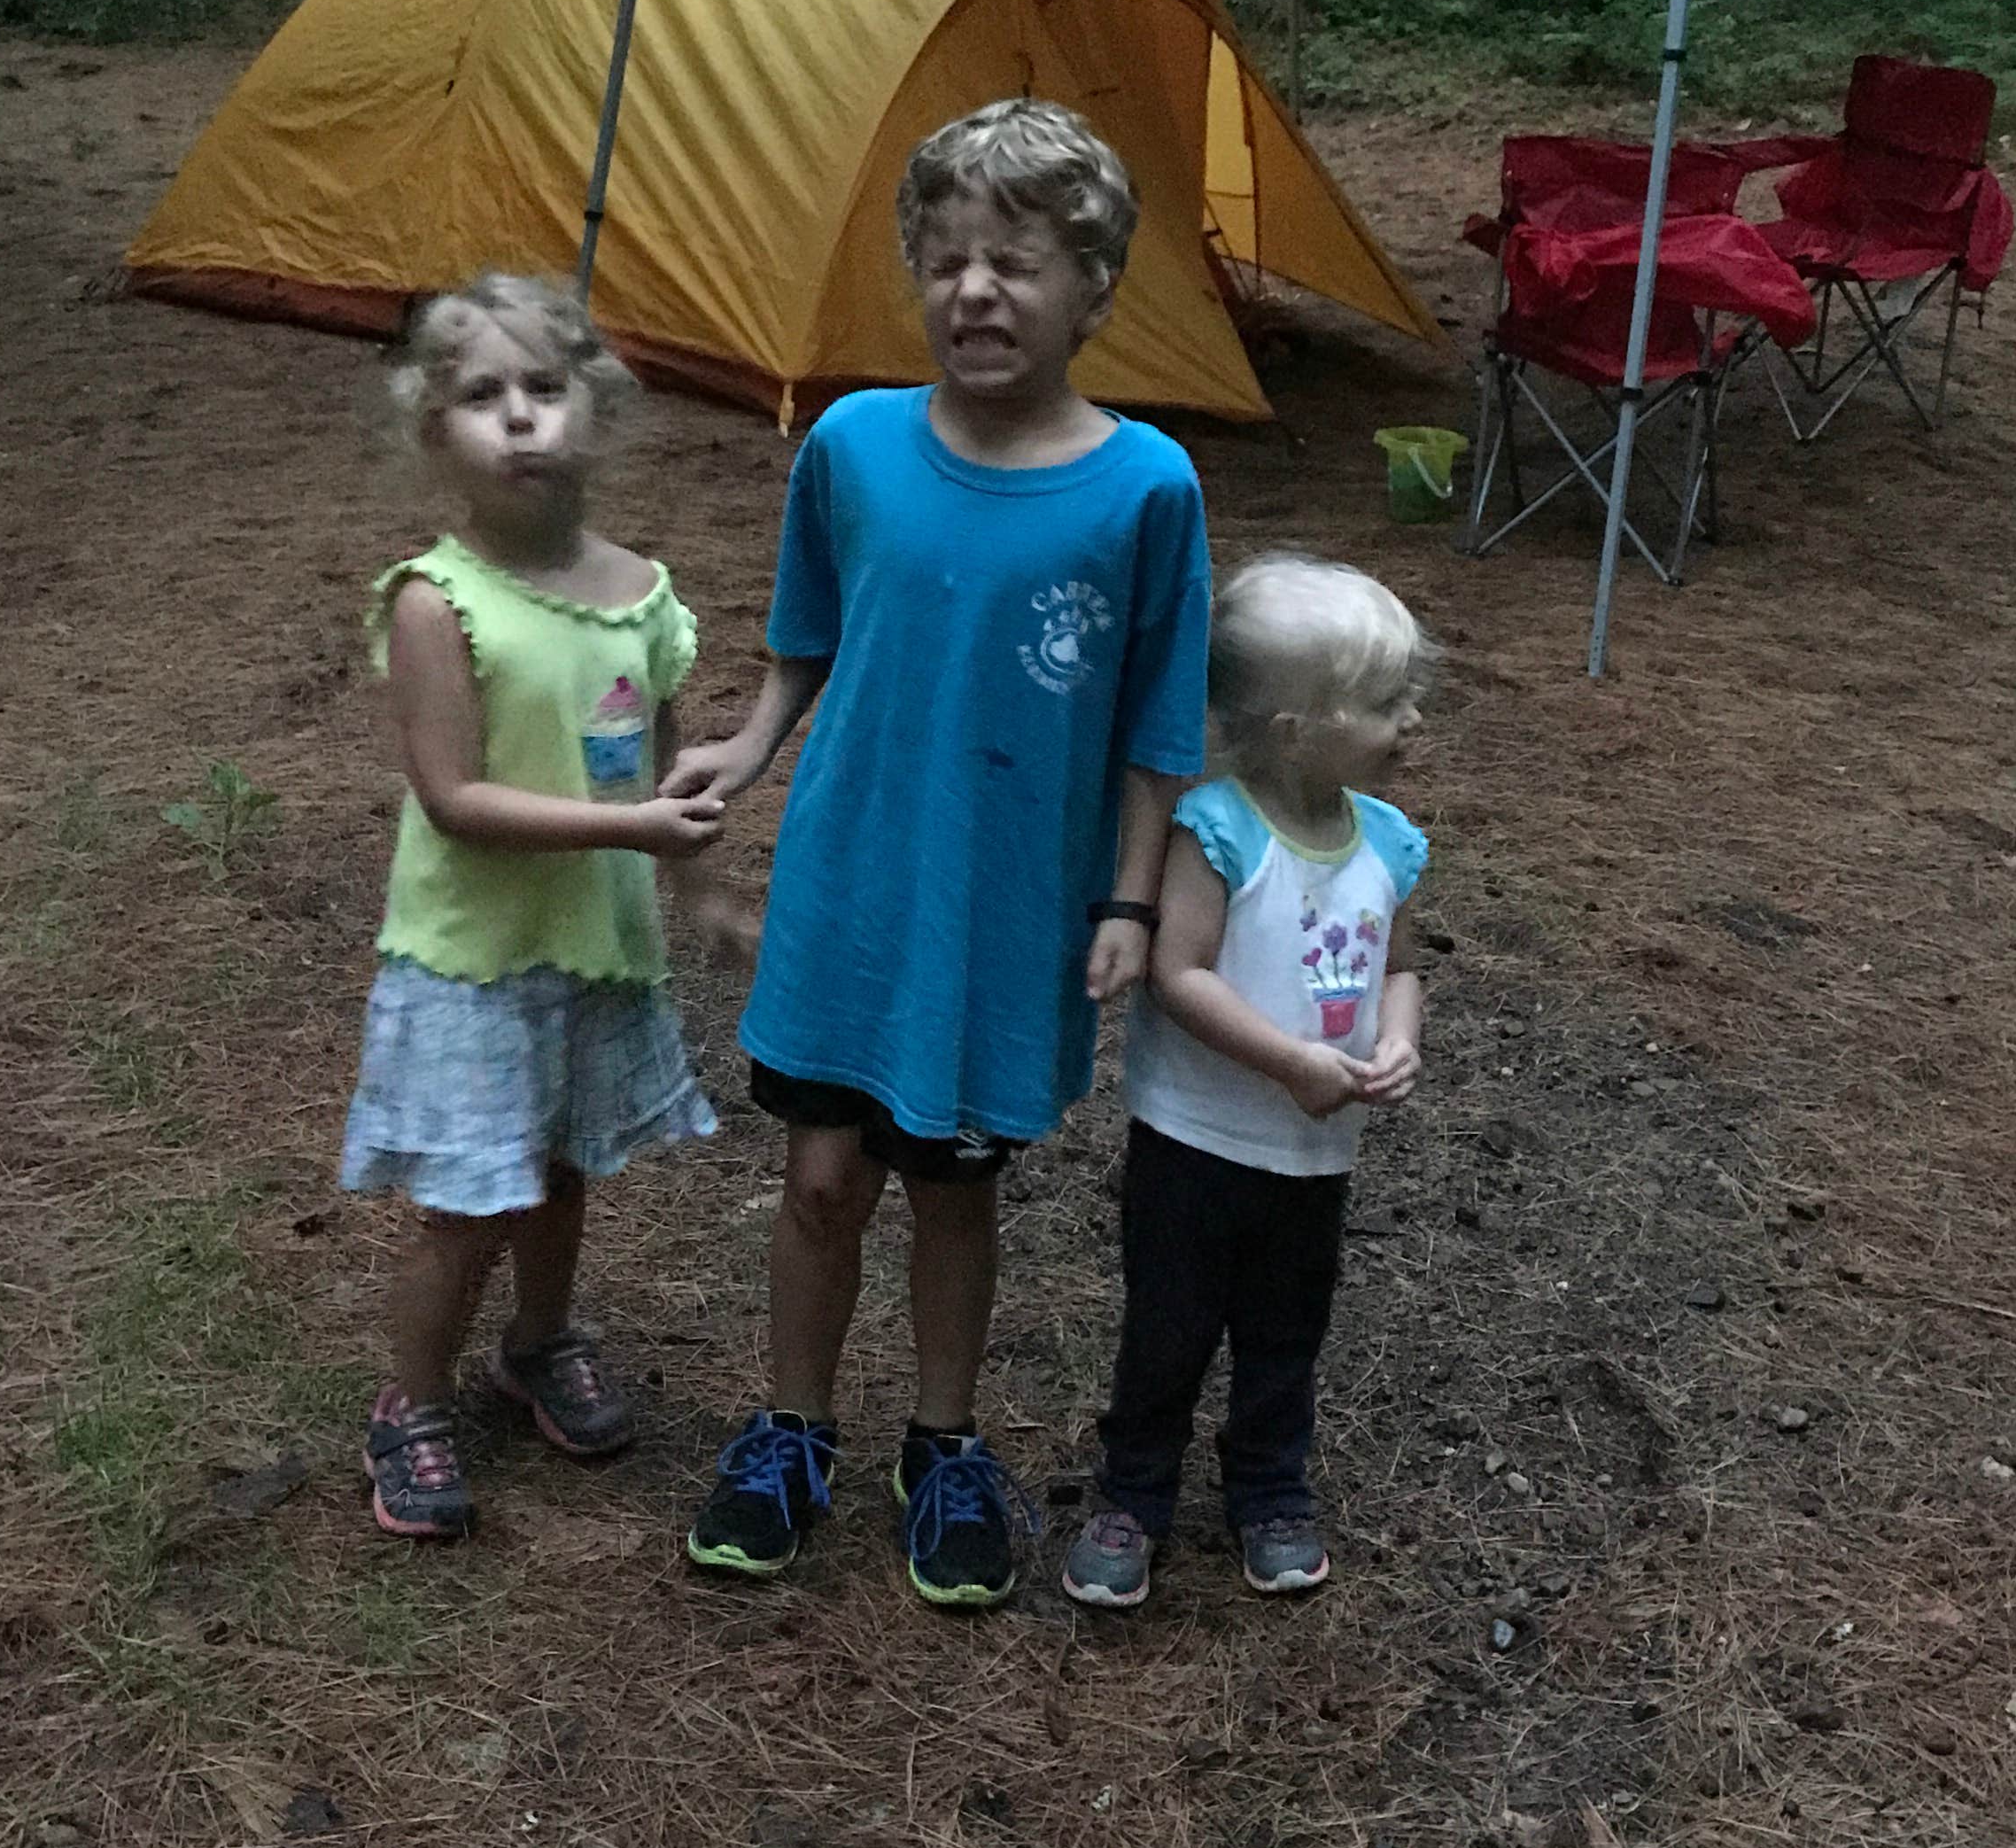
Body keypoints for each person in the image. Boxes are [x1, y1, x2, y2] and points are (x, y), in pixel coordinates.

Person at [665, 99, 1211, 1610]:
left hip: (1002, 906)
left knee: (956, 1189)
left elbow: (1161, 721)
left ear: (1090, 286)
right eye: (949, 258)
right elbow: (810, 637)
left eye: (1018, 261)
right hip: (852, 887)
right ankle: (791, 1430)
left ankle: (943, 1440)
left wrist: (1126, 893)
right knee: (822, 1175)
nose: (976, 290)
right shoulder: (849, 445)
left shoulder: (1143, 487)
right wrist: (747, 743)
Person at [341, 272, 735, 1539]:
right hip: (473, 957)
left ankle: (541, 1342)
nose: (518, 418)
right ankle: (409, 1402)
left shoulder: (642, 597)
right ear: (433, 431)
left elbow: (663, 769)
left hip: (594, 946)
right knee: (468, 1200)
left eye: (544, 388)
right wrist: (632, 829)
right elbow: (456, 797)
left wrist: (701, 886)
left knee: (564, 1171)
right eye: (480, 396)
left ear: (595, 411)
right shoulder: (435, 601)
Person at [1062, 554, 1432, 1608]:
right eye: (1383, 702)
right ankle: (1133, 1493)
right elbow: (1177, 976)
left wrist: (1397, 1039)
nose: (1411, 719)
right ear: (1294, 729)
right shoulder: (1218, 831)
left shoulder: (1392, 845)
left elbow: (1399, 964)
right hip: (1197, 1139)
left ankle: (1272, 1490)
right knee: (1169, 1326)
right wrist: (1288, 1061)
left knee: (1288, 1329)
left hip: (1316, 1153)